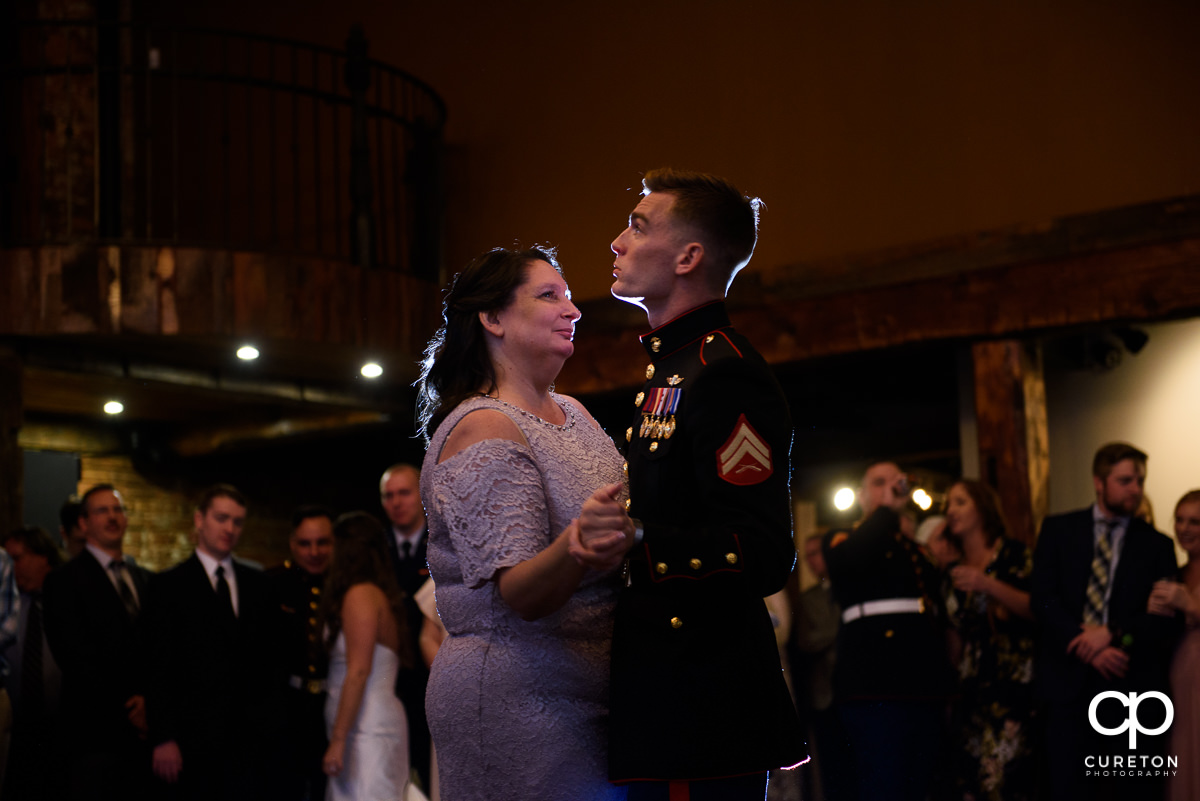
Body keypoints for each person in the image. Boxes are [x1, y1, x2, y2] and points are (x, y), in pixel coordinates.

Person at [599, 168, 803, 800]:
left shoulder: (724, 373)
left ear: (689, 257)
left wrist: (634, 539)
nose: (616, 242)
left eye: (638, 226)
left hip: (702, 695)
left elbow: (764, 549)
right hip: (665, 686)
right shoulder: (674, 369)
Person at [416, 246, 629, 800]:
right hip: (520, 698)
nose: (574, 310)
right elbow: (519, 593)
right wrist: (578, 544)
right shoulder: (483, 426)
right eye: (549, 295)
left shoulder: (576, 414)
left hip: (598, 691)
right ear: (492, 319)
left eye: (570, 296)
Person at [1031, 442, 1179, 800]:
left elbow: (1161, 621)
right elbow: (1043, 601)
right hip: (1068, 681)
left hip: (1127, 682)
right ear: (1099, 482)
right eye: (1125, 480)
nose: (1135, 489)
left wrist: (1114, 635)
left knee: (1129, 788)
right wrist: (1089, 647)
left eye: (1139, 481)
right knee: (1067, 785)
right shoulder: (1059, 530)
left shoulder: (1156, 545)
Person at [821, 461, 954, 801]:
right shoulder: (843, 538)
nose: (890, 489)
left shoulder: (912, 549)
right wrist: (885, 510)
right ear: (862, 497)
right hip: (874, 683)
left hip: (923, 683)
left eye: (896, 483)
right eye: (879, 483)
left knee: (924, 785)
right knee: (884, 784)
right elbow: (852, 560)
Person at [144, 484, 284, 801]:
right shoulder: (167, 586)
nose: (230, 528)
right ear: (199, 520)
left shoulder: (260, 585)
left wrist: (268, 728)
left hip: (249, 741)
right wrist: (163, 737)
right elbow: (157, 667)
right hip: (190, 739)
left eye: (237, 521)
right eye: (222, 518)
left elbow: (270, 663)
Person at [42, 484, 152, 801]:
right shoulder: (64, 580)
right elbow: (75, 656)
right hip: (94, 731)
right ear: (83, 523)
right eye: (102, 510)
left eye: (118, 509)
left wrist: (148, 701)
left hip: (146, 732)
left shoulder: (146, 579)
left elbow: (159, 649)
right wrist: (130, 705)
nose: (112, 517)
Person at [941, 480, 1036, 801]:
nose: (951, 510)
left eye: (960, 502)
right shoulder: (952, 573)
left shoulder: (1014, 555)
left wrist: (988, 584)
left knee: (1007, 781)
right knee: (970, 783)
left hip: (1012, 685)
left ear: (982, 507)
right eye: (948, 504)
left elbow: (1036, 609)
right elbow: (953, 634)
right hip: (971, 690)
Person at [318, 512, 415, 801]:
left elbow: (359, 671)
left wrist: (337, 740)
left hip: (365, 729)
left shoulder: (360, 595)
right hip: (367, 725)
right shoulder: (377, 593)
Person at [268, 505, 336, 801]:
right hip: (286, 709)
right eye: (305, 543)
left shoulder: (342, 587)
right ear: (292, 544)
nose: (314, 551)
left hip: (329, 707)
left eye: (323, 542)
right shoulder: (271, 584)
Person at [378, 463, 433, 791]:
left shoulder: (441, 543)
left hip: (429, 674)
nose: (396, 502)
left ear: (420, 494)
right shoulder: (377, 552)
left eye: (404, 493)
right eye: (388, 495)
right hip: (389, 677)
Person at [0, 527, 65, 801]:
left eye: (17, 557)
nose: (9, 566)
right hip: (15, 727)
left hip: (63, 730)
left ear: (43, 558)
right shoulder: (8, 607)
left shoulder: (66, 601)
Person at [790, 533, 853, 801]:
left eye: (817, 552)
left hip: (854, 686)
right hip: (823, 692)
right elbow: (806, 641)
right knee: (832, 768)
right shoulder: (808, 599)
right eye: (808, 557)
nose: (813, 561)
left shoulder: (852, 588)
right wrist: (842, 626)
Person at [1148, 490, 1200, 801]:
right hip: (1178, 674)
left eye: (1195, 521)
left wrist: (1191, 605)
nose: (1184, 528)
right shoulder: (1174, 573)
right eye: (1179, 520)